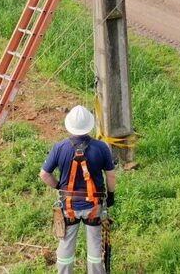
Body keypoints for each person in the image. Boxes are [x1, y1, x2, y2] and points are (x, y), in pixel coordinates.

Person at [40, 105, 116, 274]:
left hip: (69, 207)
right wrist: (110, 195)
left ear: (70, 126)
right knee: (95, 247)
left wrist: (60, 187)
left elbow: (44, 174)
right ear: (89, 125)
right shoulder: (101, 147)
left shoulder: (59, 147)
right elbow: (110, 176)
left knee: (66, 244)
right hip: (93, 206)